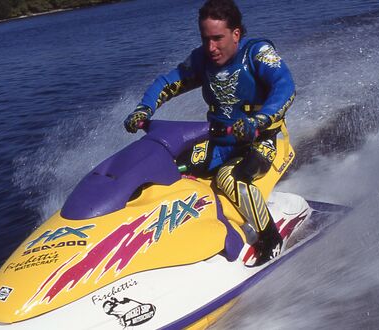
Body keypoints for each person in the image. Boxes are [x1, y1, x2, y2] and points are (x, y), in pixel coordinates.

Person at [124, 0, 295, 266]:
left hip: (260, 141)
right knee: (164, 168)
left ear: (236, 33)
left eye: (218, 38)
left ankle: (270, 239)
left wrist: (258, 120)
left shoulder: (258, 54)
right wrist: (143, 109)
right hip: (221, 143)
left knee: (231, 177)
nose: (211, 47)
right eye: (206, 39)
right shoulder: (202, 60)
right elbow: (167, 82)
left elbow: (285, 87)